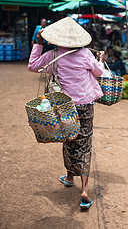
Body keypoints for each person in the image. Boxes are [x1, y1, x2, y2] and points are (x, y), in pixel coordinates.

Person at [28, 17, 106, 209]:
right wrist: (101, 61)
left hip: (66, 107)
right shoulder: (86, 54)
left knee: (69, 139)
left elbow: (33, 65)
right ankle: (84, 190)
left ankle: (70, 176)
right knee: (84, 142)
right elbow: (99, 73)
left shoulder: (54, 56)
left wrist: (38, 44)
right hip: (86, 105)